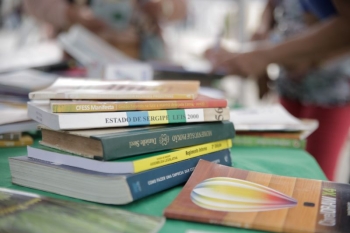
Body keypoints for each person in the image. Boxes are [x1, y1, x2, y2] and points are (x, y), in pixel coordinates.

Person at [206, 0, 350, 181]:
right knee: (283, 171)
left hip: (331, 89)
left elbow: (346, 26)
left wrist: (265, 55)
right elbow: (274, 7)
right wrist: (262, 37)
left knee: (317, 182)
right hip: (289, 86)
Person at [23, 0, 187, 60]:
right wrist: (71, 14)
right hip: (81, 58)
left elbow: (182, 8)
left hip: (142, 56)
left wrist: (164, 7)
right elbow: (33, 4)